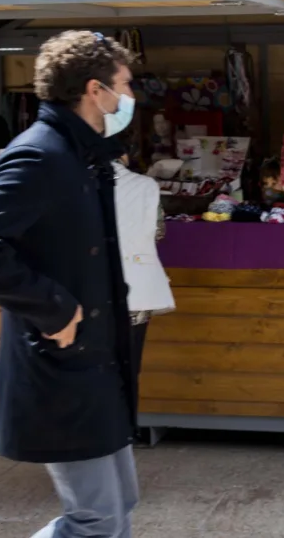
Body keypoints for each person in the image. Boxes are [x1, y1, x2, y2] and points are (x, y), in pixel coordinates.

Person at [0, 31, 138, 538]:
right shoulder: (41, 155)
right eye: (125, 85)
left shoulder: (82, 154)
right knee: (97, 521)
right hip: (62, 365)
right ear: (96, 90)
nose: (131, 97)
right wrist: (54, 308)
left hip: (96, 366)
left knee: (119, 507)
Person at [113, 147, 174, 399]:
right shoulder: (146, 185)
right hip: (136, 287)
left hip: (90, 289)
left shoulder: (77, 184)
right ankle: (124, 429)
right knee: (129, 363)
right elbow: (158, 232)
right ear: (125, 156)